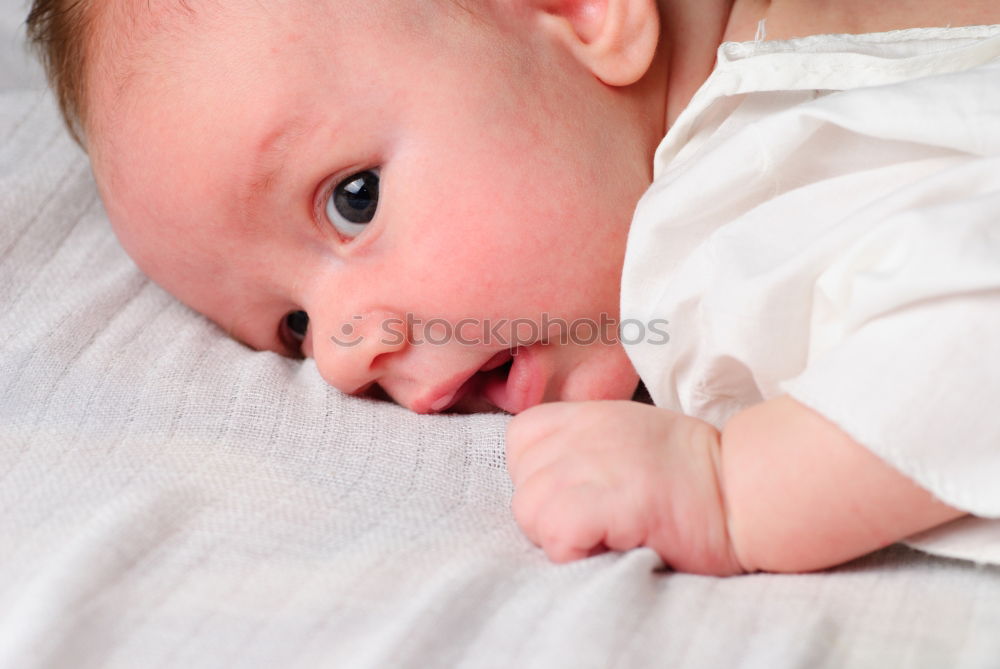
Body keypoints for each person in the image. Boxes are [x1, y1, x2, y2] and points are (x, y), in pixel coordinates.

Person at [25, 0, 1000, 575]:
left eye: (352, 201)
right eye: (288, 325)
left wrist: (732, 490)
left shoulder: (742, 199)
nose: (337, 355)